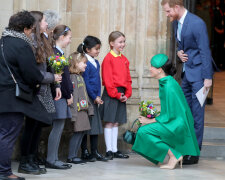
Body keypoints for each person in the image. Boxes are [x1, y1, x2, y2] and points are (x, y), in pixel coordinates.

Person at [161, 0, 215, 165]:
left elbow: (204, 50)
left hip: (199, 76)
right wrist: (179, 53)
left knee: (197, 116)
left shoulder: (197, 23)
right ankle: (185, 148)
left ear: (176, 7)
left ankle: (194, 153)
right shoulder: (176, 23)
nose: (167, 14)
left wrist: (207, 77)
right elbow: (180, 45)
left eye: (168, 11)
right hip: (185, 74)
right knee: (184, 113)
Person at [0, 10, 50, 180]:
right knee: (7, 134)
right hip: (13, 98)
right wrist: (37, 83)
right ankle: (4, 172)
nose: (30, 32)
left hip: (2, 96)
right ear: (26, 28)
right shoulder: (21, 44)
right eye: (30, 29)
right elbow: (31, 73)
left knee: (3, 133)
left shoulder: (2, 42)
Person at [132, 54, 200, 170]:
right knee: (145, 131)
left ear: (160, 70)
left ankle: (174, 155)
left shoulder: (168, 86)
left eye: (152, 66)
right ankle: (173, 155)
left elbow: (170, 115)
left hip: (176, 124)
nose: (150, 69)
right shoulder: (167, 82)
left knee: (143, 132)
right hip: (174, 122)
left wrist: (149, 121)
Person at [18, 11, 62, 175]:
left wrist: (55, 81)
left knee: (37, 126)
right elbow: (33, 71)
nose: (47, 23)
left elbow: (47, 66)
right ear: (37, 23)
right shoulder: (31, 41)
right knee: (31, 127)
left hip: (43, 88)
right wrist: (52, 77)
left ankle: (32, 156)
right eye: (44, 20)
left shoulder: (43, 39)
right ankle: (25, 160)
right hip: (35, 90)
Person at [100, 31, 132, 160]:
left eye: (124, 41)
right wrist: (116, 94)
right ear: (112, 43)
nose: (123, 44)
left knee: (116, 122)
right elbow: (108, 81)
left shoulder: (124, 59)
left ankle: (115, 149)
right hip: (111, 93)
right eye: (120, 42)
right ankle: (109, 150)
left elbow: (128, 79)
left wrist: (127, 94)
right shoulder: (108, 59)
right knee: (109, 122)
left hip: (122, 93)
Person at [46, 25, 73, 169]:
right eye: (69, 37)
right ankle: (51, 159)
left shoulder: (59, 53)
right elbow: (60, 79)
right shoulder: (55, 53)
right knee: (57, 127)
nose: (70, 41)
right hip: (59, 96)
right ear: (62, 37)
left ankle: (54, 157)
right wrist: (68, 94)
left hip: (63, 96)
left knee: (60, 126)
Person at [78, 36, 108, 162]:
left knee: (95, 125)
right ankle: (84, 151)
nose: (98, 51)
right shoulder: (85, 62)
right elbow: (86, 82)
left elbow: (97, 80)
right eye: (96, 49)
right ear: (87, 49)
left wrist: (98, 95)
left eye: (99, 49)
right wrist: (93, 96)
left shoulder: (96, 62)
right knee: (86, 125)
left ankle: (94, 151)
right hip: (87, 97)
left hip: (95, 98)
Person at [67, 52, 94, 164]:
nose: (86, 65)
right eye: (84, 63)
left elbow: (85, 95)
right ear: (76, 63)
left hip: (83, 111)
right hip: (77, 112)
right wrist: (73, 114)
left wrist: (90, 108)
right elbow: (74, 97)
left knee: (82, 132)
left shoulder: (80, 77)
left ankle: (75, 155)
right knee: (77, 133)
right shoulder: (73, 77)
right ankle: (71, 156)